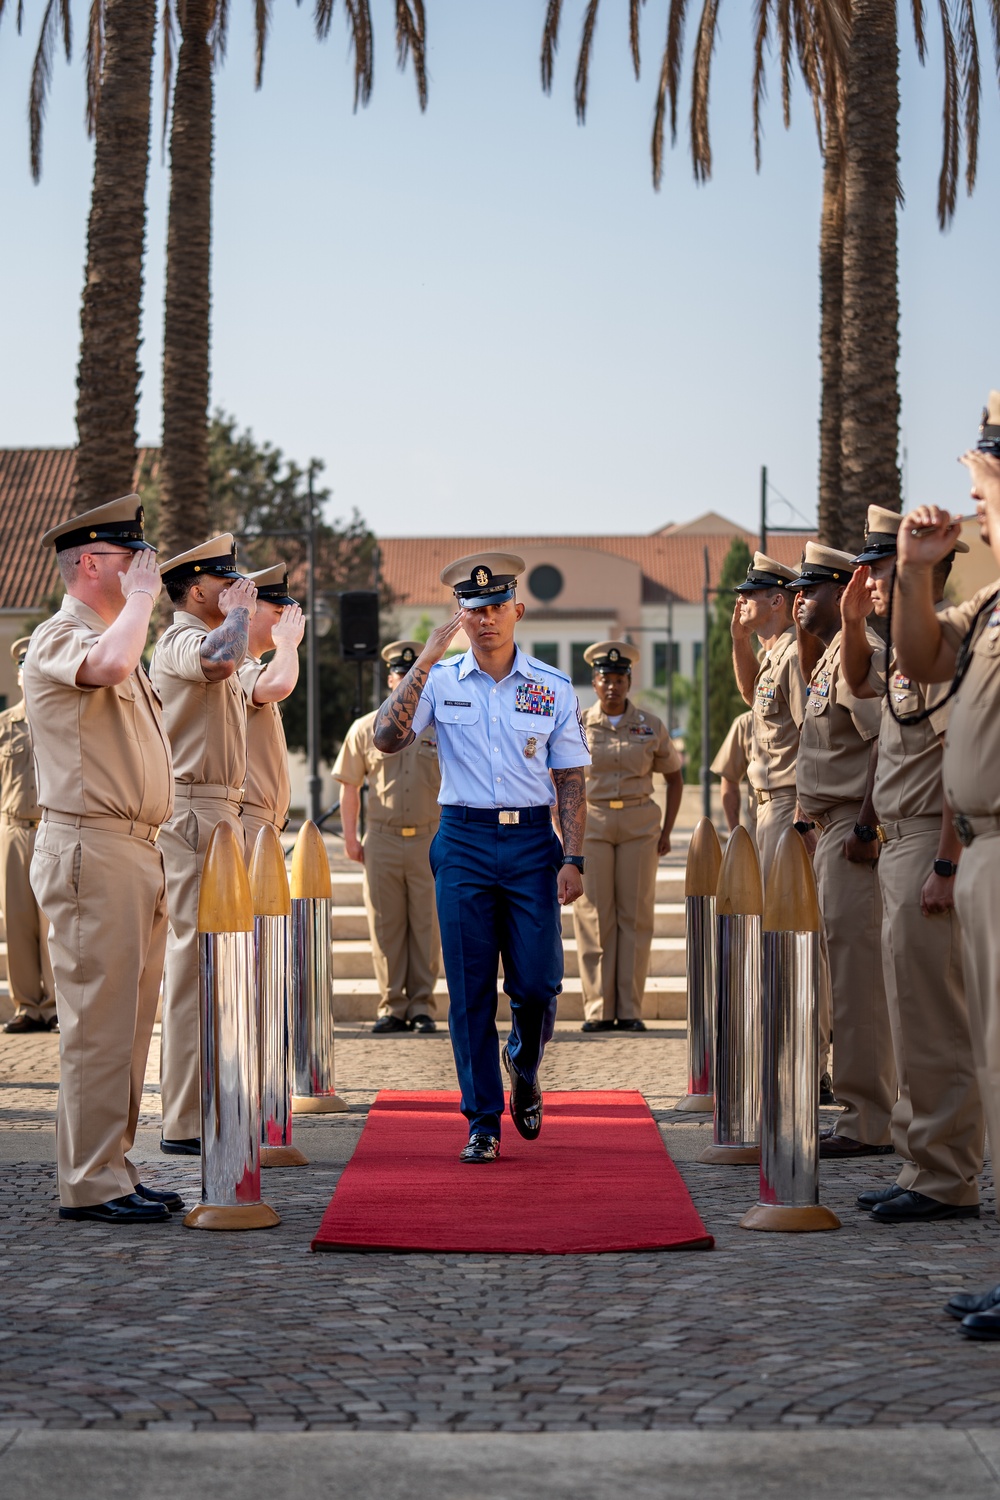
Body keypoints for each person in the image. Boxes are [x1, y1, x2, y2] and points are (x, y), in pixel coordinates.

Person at [371, 553, 591, 1163]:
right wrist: (424, 658)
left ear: (517, 610)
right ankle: (483, 1121)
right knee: (469, 988)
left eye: (497, 607)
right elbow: (386, 739)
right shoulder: (439, 681)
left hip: (530, 844)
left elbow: (570, 776)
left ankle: (524, 1058)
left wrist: (573, 855)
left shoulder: (552, 686)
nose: (487, 619)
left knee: (540, 981)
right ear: (459, 617)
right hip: (463, 839)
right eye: (474, 610)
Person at [23, 494, 180, 1224]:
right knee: (97, 1025)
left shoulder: (116, 633)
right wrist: (144, 598)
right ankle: (89, 1180)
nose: (143, 569)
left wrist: (139, 599)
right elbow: (111, 664)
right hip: (91, 846)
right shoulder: (63, 634)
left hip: (133, 849)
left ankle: (113, 1165)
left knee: (128, 1021)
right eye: (130, 559)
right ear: (89, 564)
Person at [890, 393, 1000, 1335]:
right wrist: (913, 573)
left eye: (977, 480)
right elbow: (922, 660)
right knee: (995, 1062)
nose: (968, 499)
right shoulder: (994, 599)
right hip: (985, 847)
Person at [838, 503, 981, 1223]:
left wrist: (948, 862)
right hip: (900, 839)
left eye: (883, 572)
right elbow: (858, 683)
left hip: (930, 837)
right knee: (909, 1014)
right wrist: (849, 614)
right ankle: (922, 1161)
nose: (872, 586)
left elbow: (966, 757)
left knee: (934, 1018)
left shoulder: (951, 643)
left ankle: (948, 1173)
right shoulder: (903, 649)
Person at [150, 536, 256, 1157]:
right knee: (192, 970)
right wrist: (241, 613)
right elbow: (218, 659)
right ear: (196, 589)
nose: (236, 589)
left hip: (222, 811)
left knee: (219, 968)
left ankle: (207, 1104)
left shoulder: (221, 635)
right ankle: (183, 1118)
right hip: (192, 813)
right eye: (226, 582)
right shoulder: (180, 639)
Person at [790, 542, 895, 1159]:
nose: (801, 597)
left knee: (858, 985)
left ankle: (867, 1119)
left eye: (814, 588)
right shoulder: (831, 657)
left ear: (845, 591)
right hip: (829, 831)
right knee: (843, 977)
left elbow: (888, 741)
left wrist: (863, 825)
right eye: (797, 589)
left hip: (854, 839)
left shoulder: (864, 654)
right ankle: (867, 1111)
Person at [332, 640, 442, 1035]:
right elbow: (349, 786)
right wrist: (350, 838)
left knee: (428, 927)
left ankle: (423, 1006)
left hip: (431, 839)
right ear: (391, 679)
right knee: (385, 925)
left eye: (415, 676)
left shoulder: (437, 726)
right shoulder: (366, 728)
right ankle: (392, 1005)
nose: (406, 682)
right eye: (400, 675)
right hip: (382, 838)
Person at [573, 641, 682, 1034]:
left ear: (629, 682)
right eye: (606, 679)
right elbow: (560, 780)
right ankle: (599, 1008)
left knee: (635, 916)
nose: (612, 686)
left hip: (639, 825)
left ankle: (630, 1007)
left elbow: (674, 777)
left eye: (619, 679)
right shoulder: (578, 724)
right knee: (594, 916)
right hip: (594, 825)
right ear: (594, 682)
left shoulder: (650, 725)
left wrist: (667, 831)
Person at [730, 552, 806, 881]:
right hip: (767, 804)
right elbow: (751, 696)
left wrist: (803, 815)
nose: (741, 599)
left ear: (777, 600)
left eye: (750, 593)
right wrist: (739, 639)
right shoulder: (771, 653)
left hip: (789, 803)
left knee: (787, 917)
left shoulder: (792, 656)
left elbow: (811, 735)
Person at [0, 636, 56, 1034]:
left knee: (53, 923)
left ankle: (55, 1005)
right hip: (14, 832)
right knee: (18, 921)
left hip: (54, 829)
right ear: (20, 676)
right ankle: (27, 1007)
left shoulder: (59, 719)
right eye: (22, 668)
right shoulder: (3, 727)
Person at [238, 565, 304, 855]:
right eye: (278, 612)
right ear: (249, 613)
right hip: (245, 820)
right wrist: (288, 642)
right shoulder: (233, 664)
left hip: (262, 823)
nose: (286, 620)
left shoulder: (250, 666)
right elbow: (279, 684)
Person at [711, 709, 756, 842]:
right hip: (761, 827)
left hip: (812, 823)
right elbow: (729, 779)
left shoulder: (810, 717)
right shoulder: (746, 723)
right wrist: (735, 836)